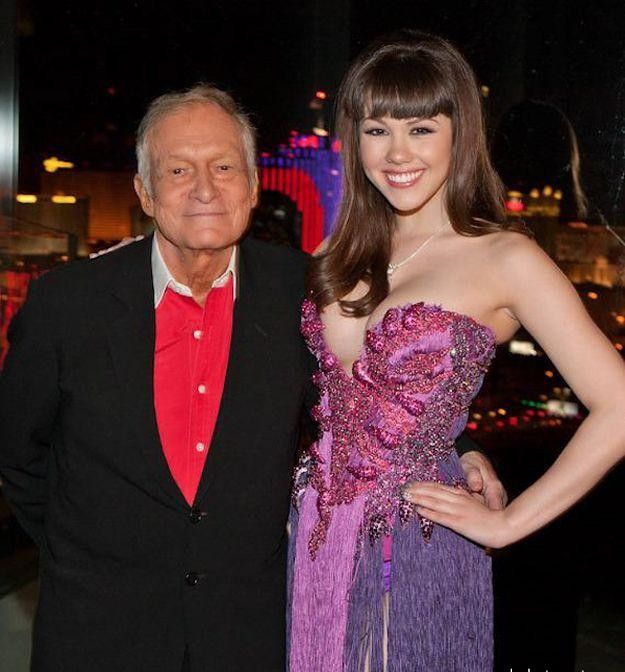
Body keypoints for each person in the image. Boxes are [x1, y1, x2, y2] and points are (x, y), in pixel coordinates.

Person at [0, 84, 500, 672]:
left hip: (247, 636)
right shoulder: (66, 305)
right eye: (178, 170)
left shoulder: (307, 293)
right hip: (95, 635)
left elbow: (366, 397)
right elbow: (17, 455)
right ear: (145, 192)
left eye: (224, 167)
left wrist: (461, 447)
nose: (204, 189)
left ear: (254, 186)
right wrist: (89, 555)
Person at [287, 31, 625, 672]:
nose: (397, 153)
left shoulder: (505, 257)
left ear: (458, 133)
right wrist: (467, 445)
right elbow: (324, 396)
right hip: (315, 539)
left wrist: (509, 523)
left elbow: (620, 407)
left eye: (420, 129)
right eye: (377, 130)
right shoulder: (335, 255)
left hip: (418, 539)